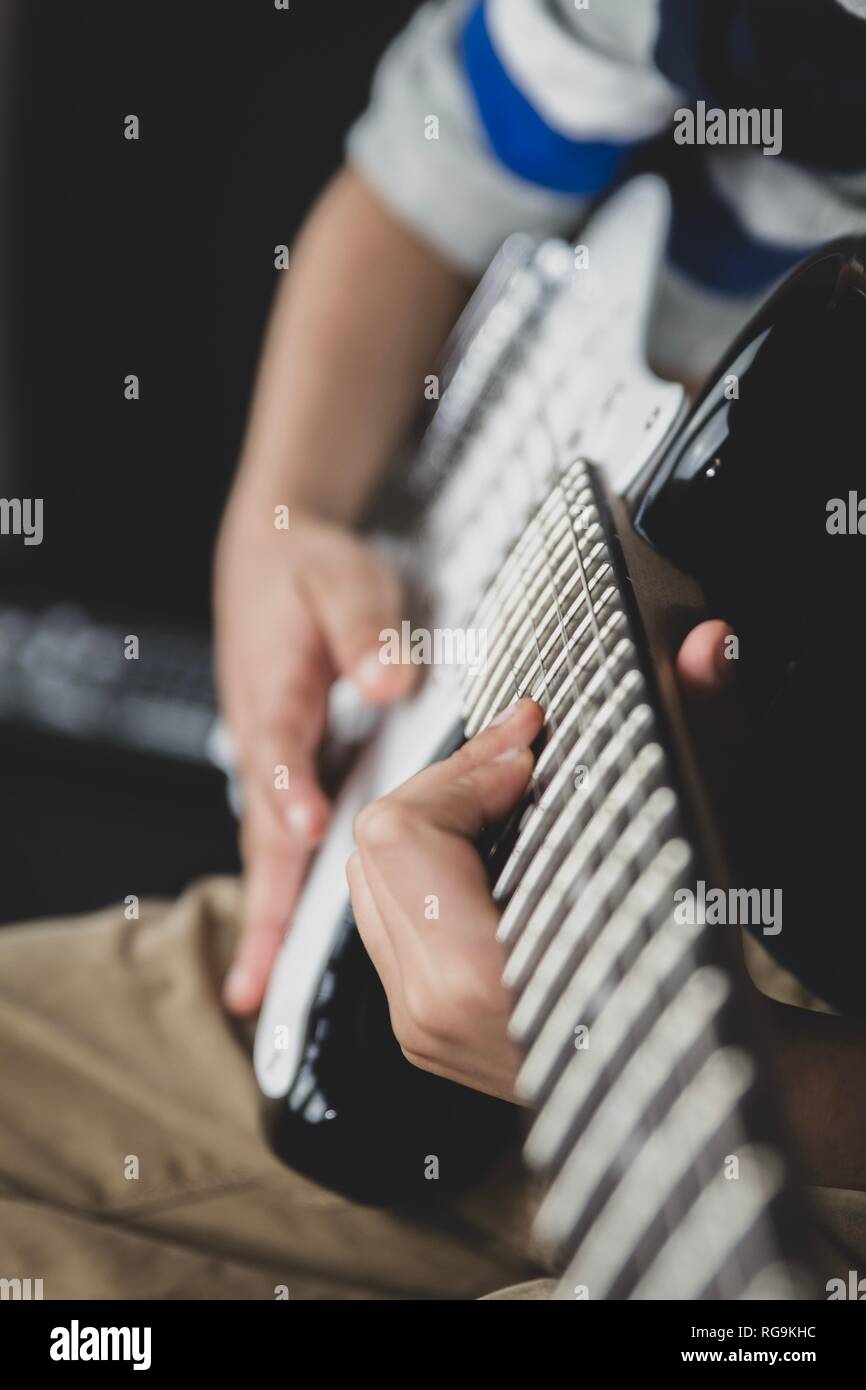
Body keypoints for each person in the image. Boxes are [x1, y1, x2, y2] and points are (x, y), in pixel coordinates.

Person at [3, 0, 866, 1299]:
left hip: (767, 1108)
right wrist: (282, 516)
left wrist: (736, 1073)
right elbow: (419, 186)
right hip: (434, 863)